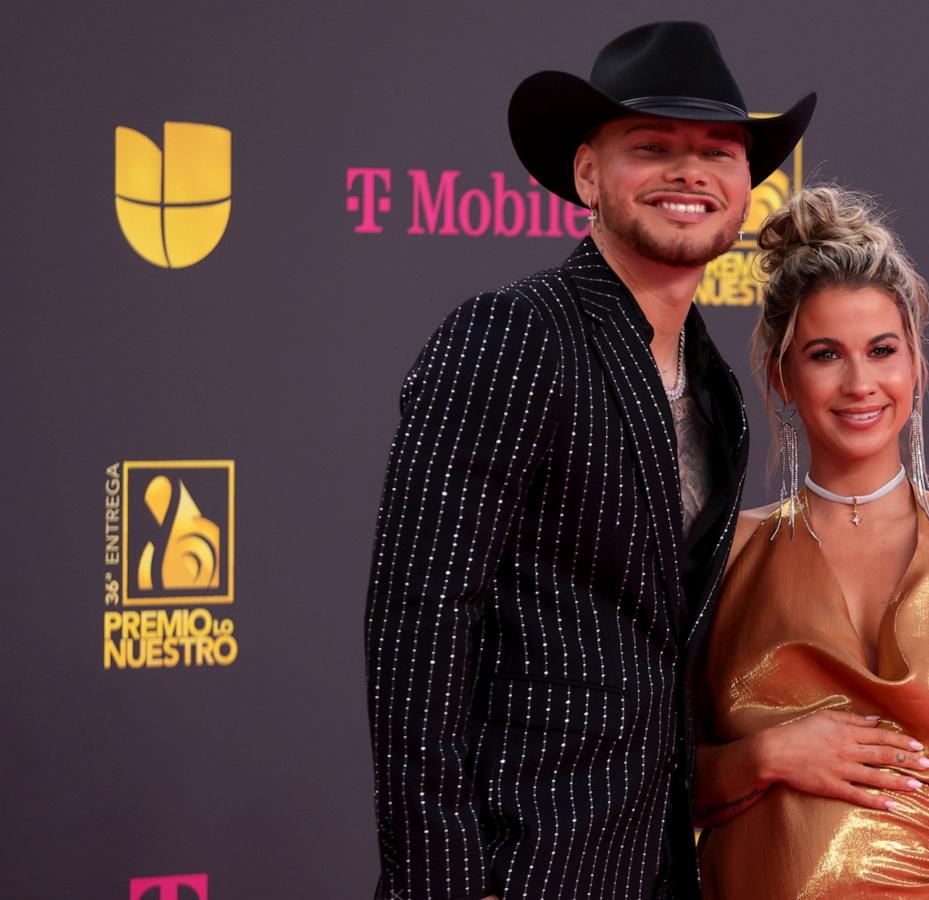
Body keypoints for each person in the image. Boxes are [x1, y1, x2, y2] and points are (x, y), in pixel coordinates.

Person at [362, 22, 815, 900]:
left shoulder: (719, 386)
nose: (690, 172)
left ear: (744, 187)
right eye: (653, 146)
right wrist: (445, 885)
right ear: (586, 174)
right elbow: (418, 630)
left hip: (652, 865)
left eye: (717, 151)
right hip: (515, 870)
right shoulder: (513, 336)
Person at [692, 187, 929, 898]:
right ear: (781, 377)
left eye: (882, 350)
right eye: (826, 354)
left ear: (916, 364)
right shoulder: (727, 551)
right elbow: (656, 780)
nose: (860, 383)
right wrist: (764, 755)